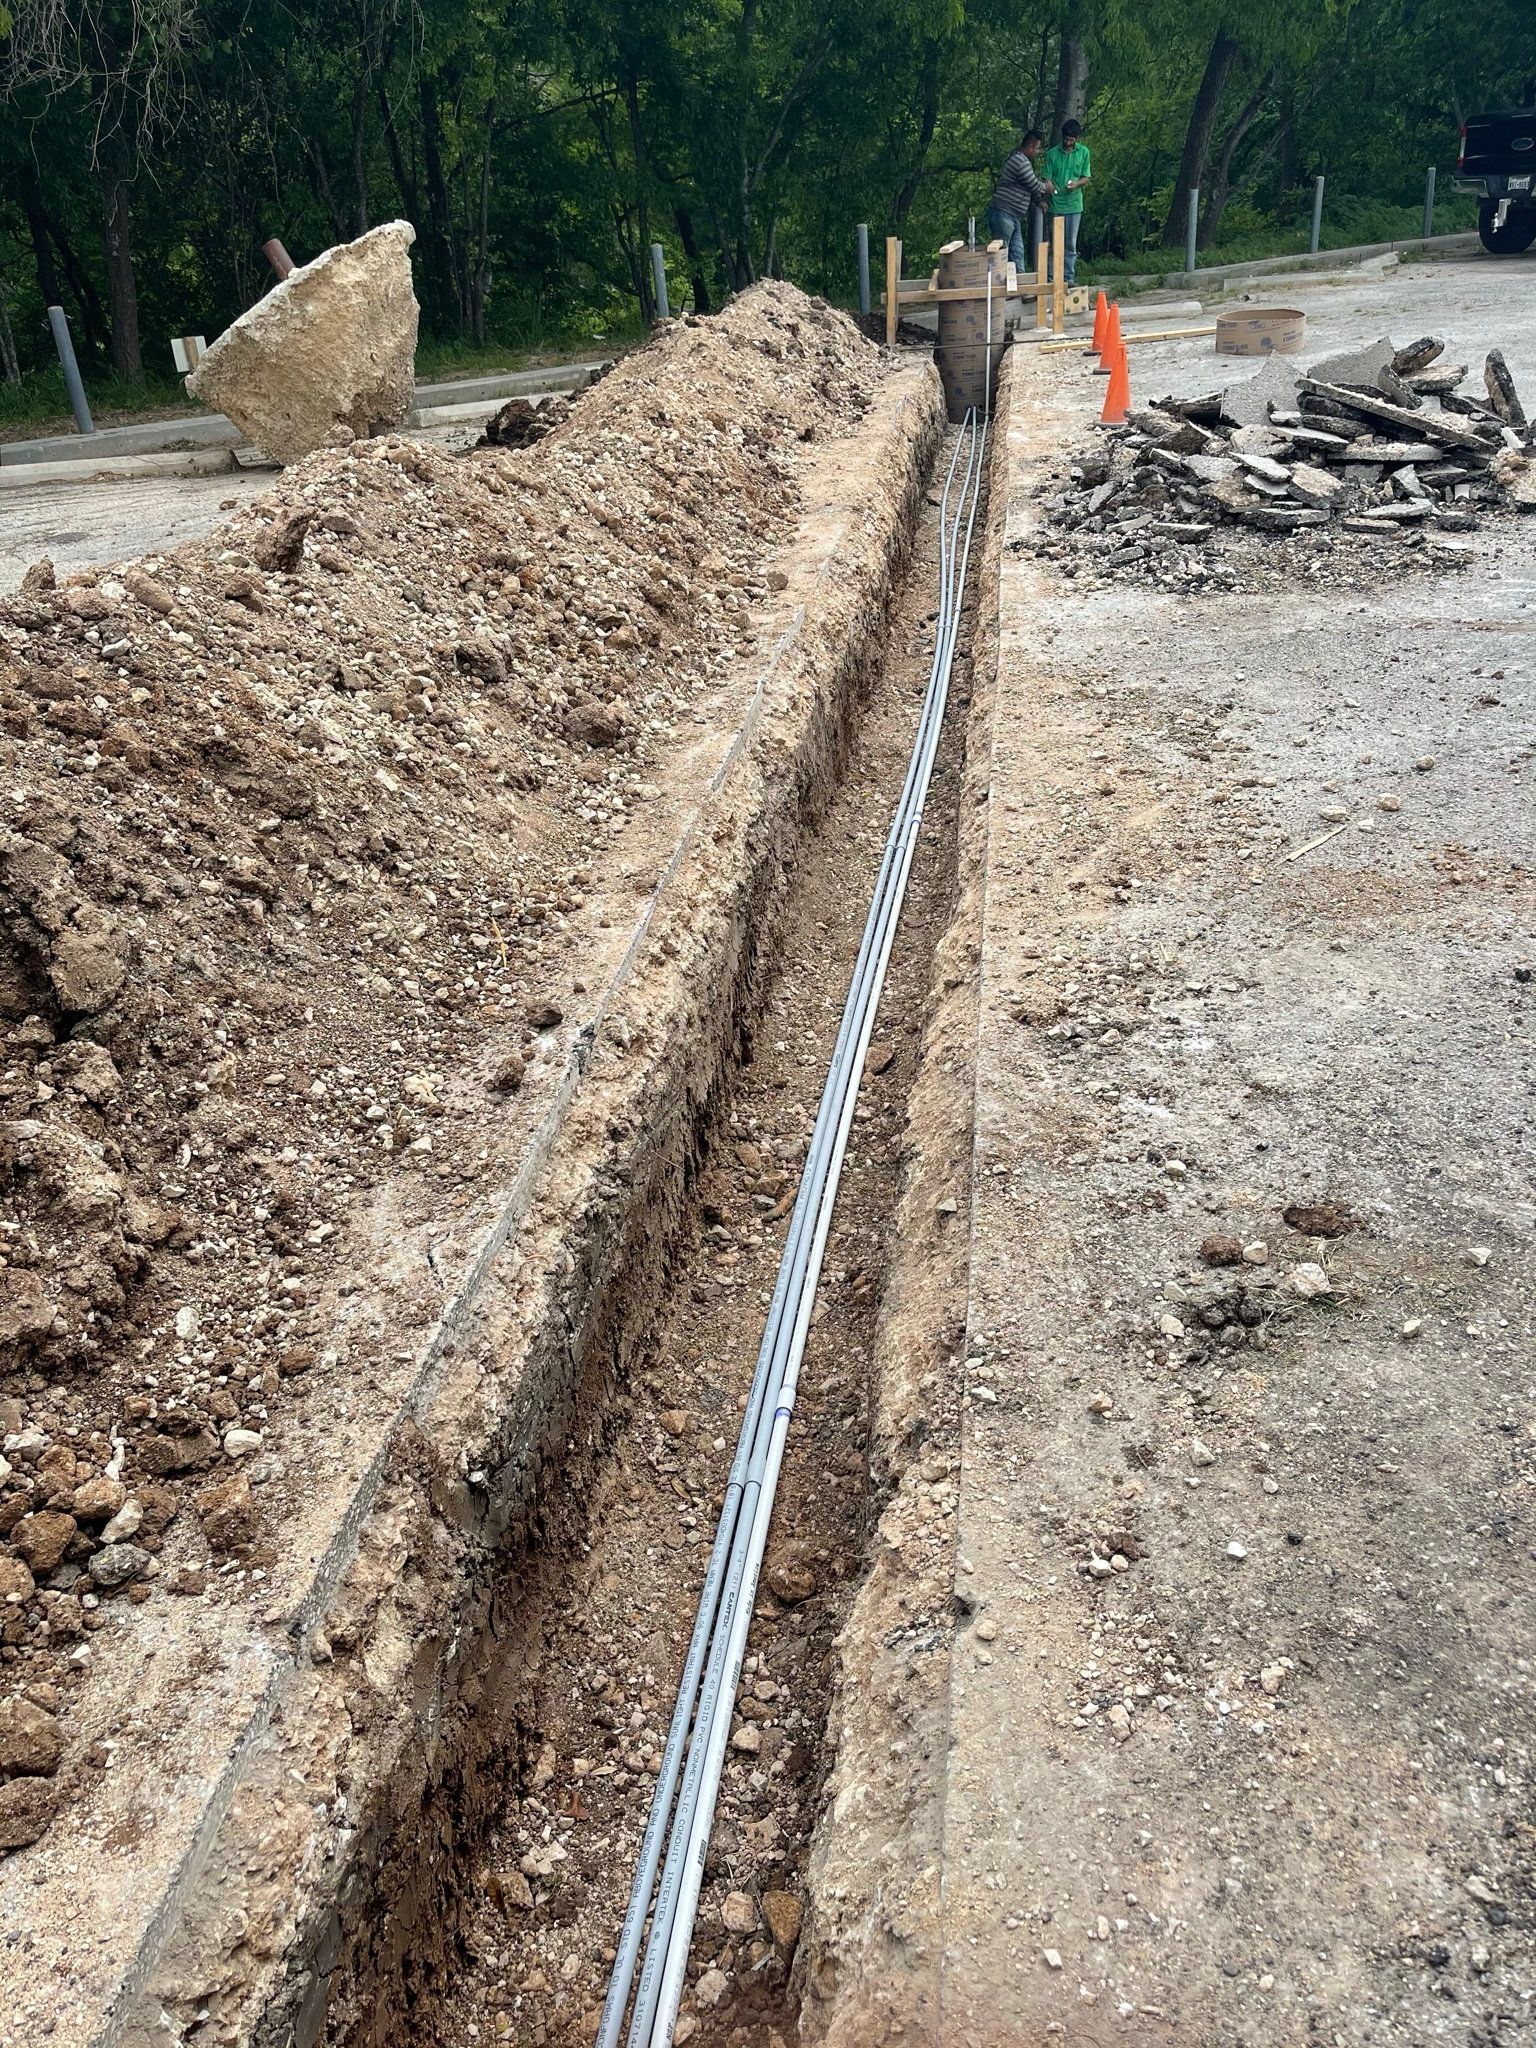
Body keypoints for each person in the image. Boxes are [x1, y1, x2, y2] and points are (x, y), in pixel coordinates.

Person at [987, 130, 1053, 272]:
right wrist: (1047, 187)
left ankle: (1019, 288)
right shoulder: (1019, 161)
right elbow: (1033, 184)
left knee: (1017, 252)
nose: (1038, 152)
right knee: (1002, 252)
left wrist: (1038, 201)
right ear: (1030, 147)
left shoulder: (1024, 161)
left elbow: (1029, 187)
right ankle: (999, 286)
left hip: (1013, 215)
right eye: (1037, 148)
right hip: (1003, 213)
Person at [1044, 119, 1092, 286]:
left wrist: (1076, 184)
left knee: (1071, 243)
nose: (1068, 142)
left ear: (1076, 139)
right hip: (1056, 204)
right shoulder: (1052, 154)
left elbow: (1086, 177)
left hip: (1074, 204)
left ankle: (1068, 277)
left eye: (1071, 140)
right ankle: (1051, 277)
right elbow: (1047, 177)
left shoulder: (1084, 152)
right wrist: (1049, 185)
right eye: (1066, 139)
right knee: (1054, 242)